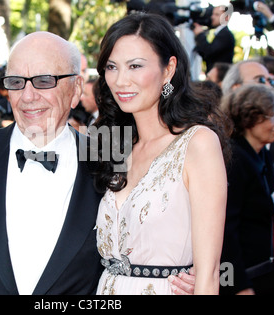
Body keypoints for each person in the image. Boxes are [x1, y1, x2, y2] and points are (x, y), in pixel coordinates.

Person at [0, 31, 196, 295]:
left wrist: (184, 275)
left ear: (75, 90)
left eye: (44, 80)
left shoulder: (110, 155)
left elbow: (160, 222)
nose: (28, 96)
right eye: (16, 82)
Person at [92, 13, 228, 295]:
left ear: (168, 69)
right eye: (112, 67)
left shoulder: (198, 143)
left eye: (135, 66)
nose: (120, 80)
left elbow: (209, 274)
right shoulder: (115, 145)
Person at [220, 84, 274, 295]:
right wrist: (238, 285)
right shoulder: (235, 160)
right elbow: (225, 229)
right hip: (244, 275)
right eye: (273, 116)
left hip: (264, 269)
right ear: (252, 118)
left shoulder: (261, 154)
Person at [193, 5, 235, 73]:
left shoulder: (225, 34)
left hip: (219, 76)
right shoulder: (220, 33)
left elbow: (209, 51)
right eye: (212, 14)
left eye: (217, 15)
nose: (212, 17)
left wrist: (200, 35)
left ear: (226, 18)